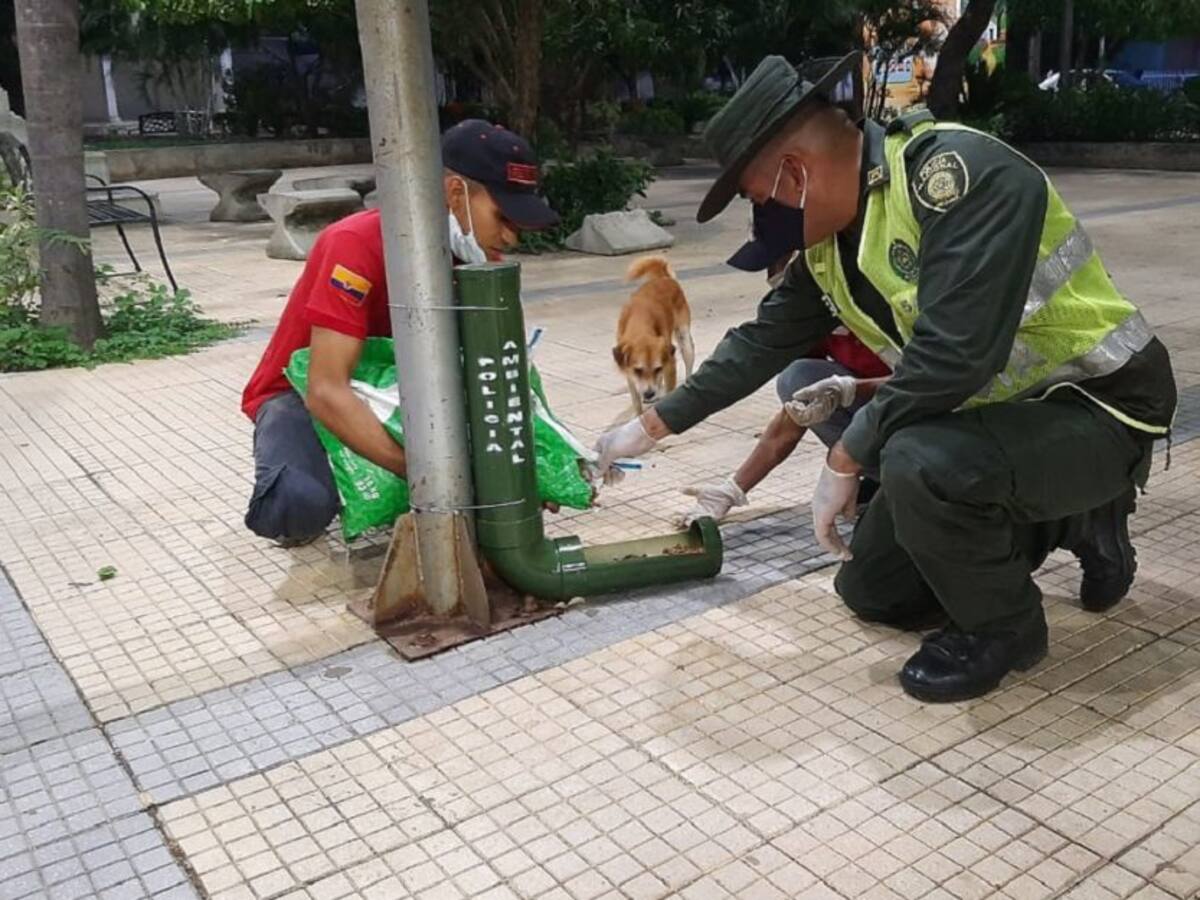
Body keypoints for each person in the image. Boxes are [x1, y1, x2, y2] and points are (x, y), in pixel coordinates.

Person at [596, 53, 1176, 702]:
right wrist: (645, 428)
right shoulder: (830, 244)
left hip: (1097, 405)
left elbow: (952, 358)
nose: (761, 227)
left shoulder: (957, 179)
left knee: (914, 458)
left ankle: (1006, 627)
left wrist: (847, 456)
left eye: (759, 204)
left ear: (795, 175)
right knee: (873, 592)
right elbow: (760, 343)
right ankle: (1057, 520)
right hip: (997, 420)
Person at [241, 119, 559, 545]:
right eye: (503, 217)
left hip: (404, 388)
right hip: (303, 394)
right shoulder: (355, 244)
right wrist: (426, 476)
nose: (510, 238)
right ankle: (313, 478)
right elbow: (325, 389)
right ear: (454, 193)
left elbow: (502, 376)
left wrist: (540, 461)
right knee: (299, 504)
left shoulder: (483, 264)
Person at [679, 201, 891, 526]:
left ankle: (906, 481)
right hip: (879, 416)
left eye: (782, 260)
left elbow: (933, 379)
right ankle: (880, 477)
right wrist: (733, 489)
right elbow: (794, 415)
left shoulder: (880, 288)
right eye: (770, 266)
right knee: (798, 378)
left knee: (862, 410)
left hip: (933, 417)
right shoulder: (809, 313)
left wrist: (851, 391)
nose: (776, 275)